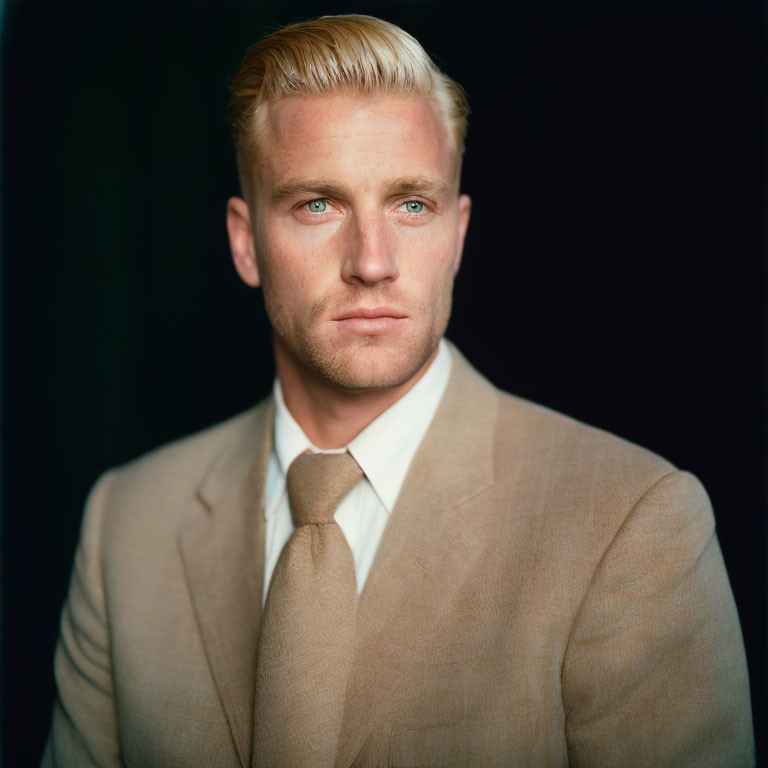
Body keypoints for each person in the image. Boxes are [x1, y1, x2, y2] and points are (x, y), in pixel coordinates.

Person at [43, 14, 754, 768]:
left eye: (412, 204)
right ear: (245, 243)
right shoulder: (125, 527)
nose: (372, 263)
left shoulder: (633, 525)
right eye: (318, 203)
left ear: (457, 234)